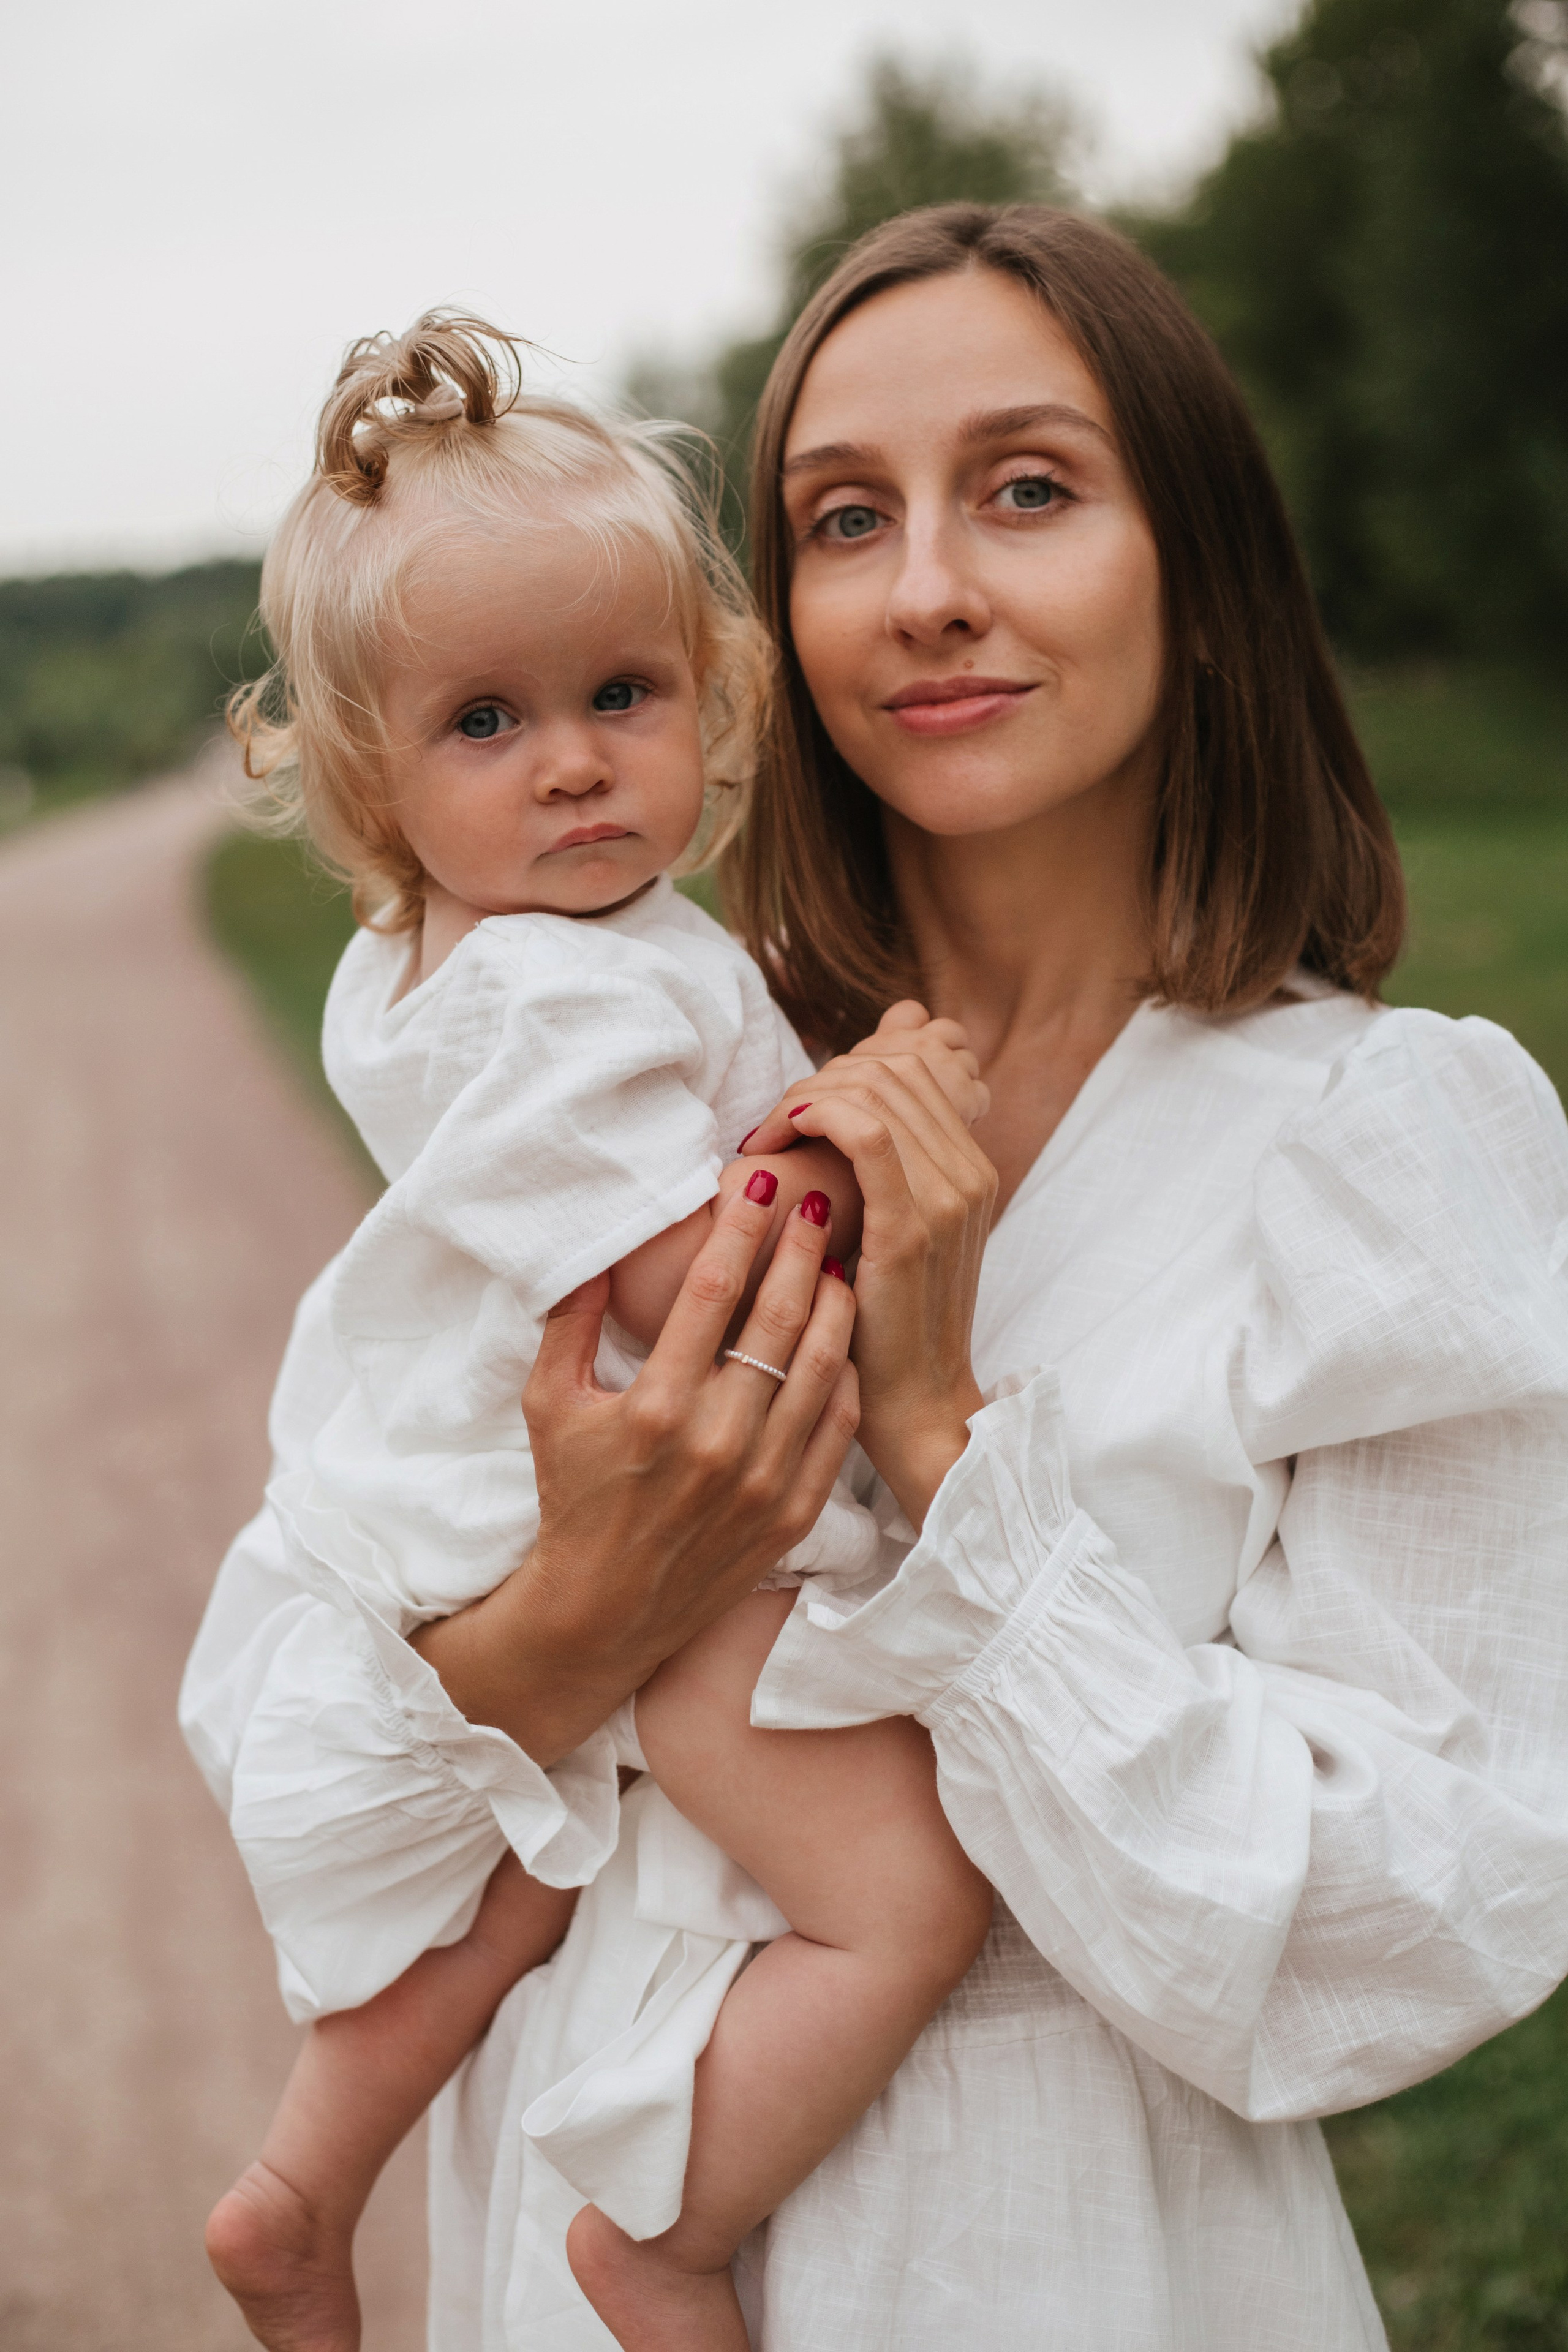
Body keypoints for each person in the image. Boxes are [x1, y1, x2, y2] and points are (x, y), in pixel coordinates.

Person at [182, 203, 1568, 2350]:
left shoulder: (1366, 1144)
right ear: (780, 621)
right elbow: (296, 1794)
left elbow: (1395, 1926)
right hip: (544, 2237)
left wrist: (936, 1431)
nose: (927, 589)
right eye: (845, 519)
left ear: (1196, 571)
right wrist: (579, 1608)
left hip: (1047, 2256)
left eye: (1029, 489)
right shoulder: (657, 1056)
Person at [195, 312, 992, 2352]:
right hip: (628, 1500)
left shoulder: (442, 959)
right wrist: (849, 1136)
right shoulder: (568, 994)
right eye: (486, 722)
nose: (568, 759)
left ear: (704, 699)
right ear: (372, 770)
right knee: (902, 1905)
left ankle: (305, 2184)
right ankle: (671, 2235)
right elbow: (680, 1282)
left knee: (517, 1876)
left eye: (619, 694)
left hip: (469, 1493)